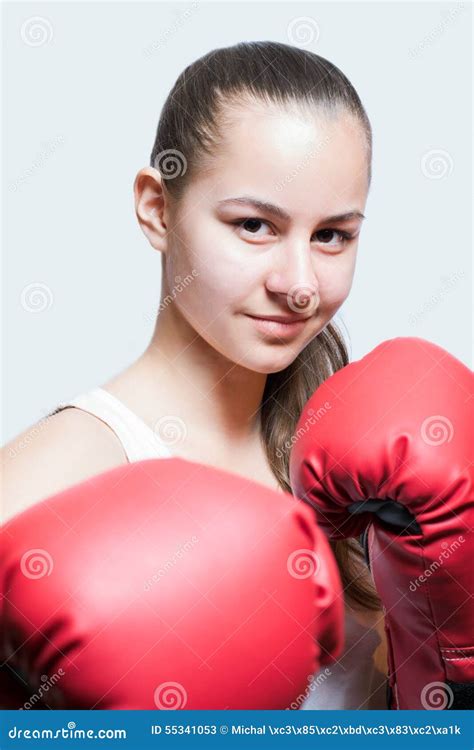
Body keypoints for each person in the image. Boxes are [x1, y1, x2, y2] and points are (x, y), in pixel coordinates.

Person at [2, 41, 387, 708]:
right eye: (253, 225)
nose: (298, 285)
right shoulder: (48, 483)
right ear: (157, 208)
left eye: (332, 236)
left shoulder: (370, 460)